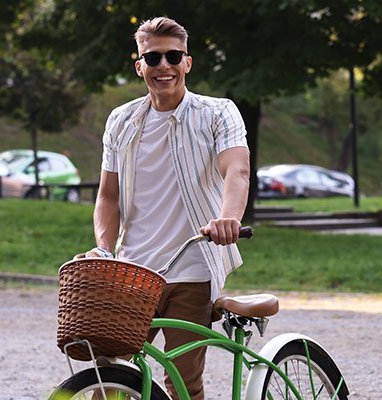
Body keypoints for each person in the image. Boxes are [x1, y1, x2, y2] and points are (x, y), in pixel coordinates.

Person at [75, 16, 250, 400]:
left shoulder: (218, 113)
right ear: (140, 66)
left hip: (192, 267)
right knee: (110, 376)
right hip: (132, 272)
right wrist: (105, 248)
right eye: (153, 58)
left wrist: (229, 219)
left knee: (182, 382)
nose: (164, 66)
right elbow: (108, 196)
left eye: (174, 56)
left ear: (188, 62)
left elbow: (236, 170)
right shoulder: (121, 121)